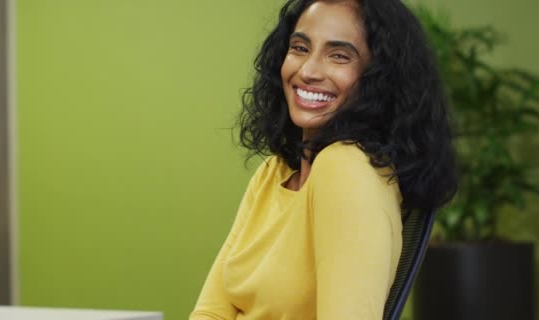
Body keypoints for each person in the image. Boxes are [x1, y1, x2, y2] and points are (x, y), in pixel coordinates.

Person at [190, 0, 457, 319]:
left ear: (379, 76)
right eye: (300, 47)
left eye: (339, 55)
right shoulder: (273, 172)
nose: (308, 71)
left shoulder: (345, 167)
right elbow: (211, 312)